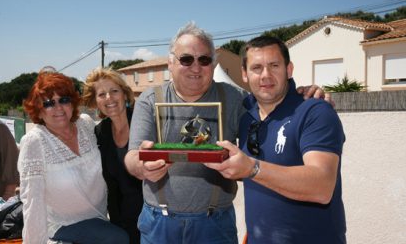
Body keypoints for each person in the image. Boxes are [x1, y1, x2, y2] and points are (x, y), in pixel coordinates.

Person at [124, 22, 329, 244]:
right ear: (170, 63)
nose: (196, 67)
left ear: (213, 64)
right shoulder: (150, 99)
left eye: (204, 60)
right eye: (186, 60)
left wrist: (301, 94)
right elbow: (132, 156)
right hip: (159, 223)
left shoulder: (236, 99)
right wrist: (141, 168)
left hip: (214, 224)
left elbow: (272, 101)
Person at [205, 36, 346, 243]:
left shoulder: (315, 111)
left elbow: (322, 186)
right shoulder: (247, 116)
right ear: (244, 74)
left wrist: (252, 168)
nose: (265, 75)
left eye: (274, 65)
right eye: (256, 68)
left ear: (288, 70)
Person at [18, 72, 129, 244]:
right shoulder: (34, 142)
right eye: (48, 103)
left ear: (72, 103)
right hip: (64, 224)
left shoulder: (86, 124)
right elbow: (32, 201)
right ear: (39, 112)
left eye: (63, 100)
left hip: (100, 218)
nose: (58, 108)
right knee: (118, 239)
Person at [82, 68, 142, 244]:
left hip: (151, 222)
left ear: (124, 94)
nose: (109, 98)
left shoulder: (144, 123)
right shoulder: (100, 132)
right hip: (119, 225)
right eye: (101, 94)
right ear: (95, 102)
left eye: (114, 91)